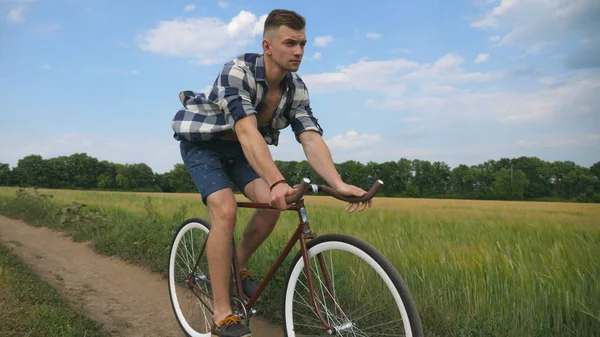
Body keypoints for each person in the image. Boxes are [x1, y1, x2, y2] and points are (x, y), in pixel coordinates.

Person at [171, 8, 373, 337]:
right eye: (290, 43)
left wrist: (337, 183)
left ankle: (237, 265)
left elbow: (309, 136)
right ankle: (223, 313)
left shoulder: (296, 88)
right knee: (225, 209)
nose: (298, 52)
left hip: (239, 151)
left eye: (303, 44)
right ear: (267, 46)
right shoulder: (237, 72)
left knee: (274, 204)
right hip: (204, 144)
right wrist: (276, 179)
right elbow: (248, 131)